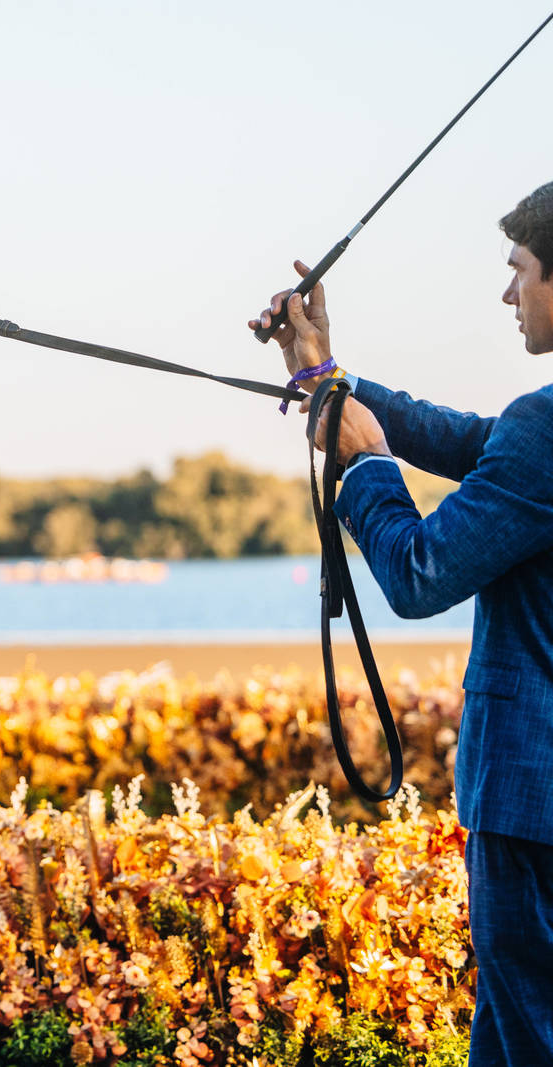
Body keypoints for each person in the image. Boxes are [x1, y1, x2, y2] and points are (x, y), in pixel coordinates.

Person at [250, 181, 553, 1065]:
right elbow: (472, 440)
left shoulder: (545, 428)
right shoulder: (534, 431)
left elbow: (421, 575)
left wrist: (367, 464)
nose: (508, 295)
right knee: (507, 1033)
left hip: (532, 805)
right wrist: (325, 381)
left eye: (521, 272)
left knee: (525, 1033)